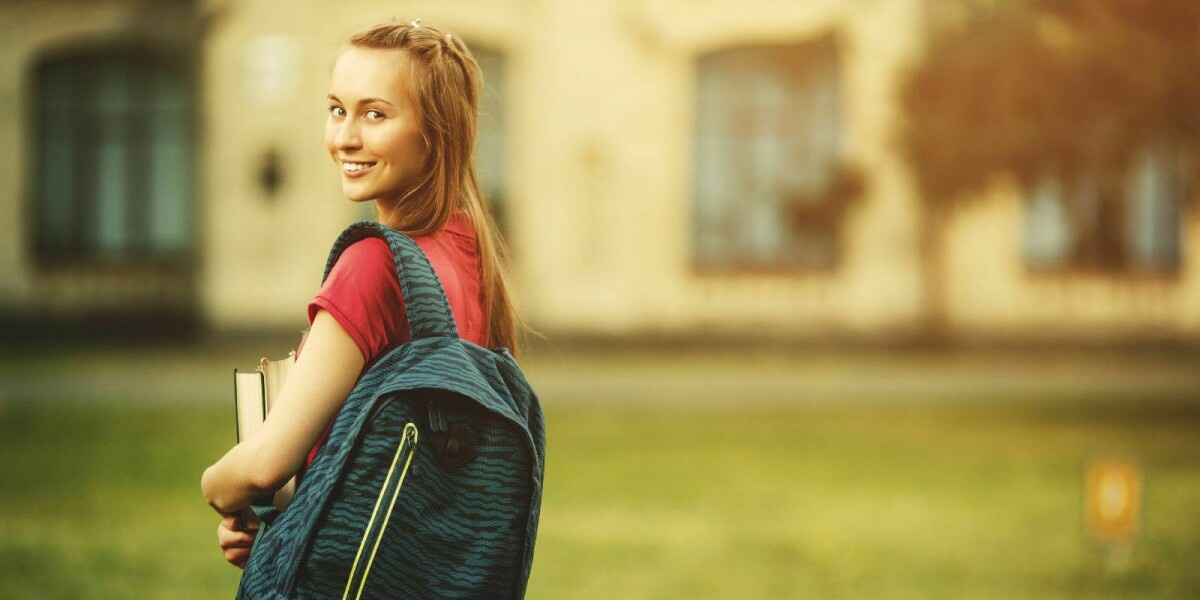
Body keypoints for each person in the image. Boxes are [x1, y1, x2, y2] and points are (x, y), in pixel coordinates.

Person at [201, 20, 519, 568]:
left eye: (375, 114)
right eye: (336, 109)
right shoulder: (470, 248)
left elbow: (263, 468)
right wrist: (283, 526)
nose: (345, 137)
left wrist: (216, 484)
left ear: (434, 132)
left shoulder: (373, 264)